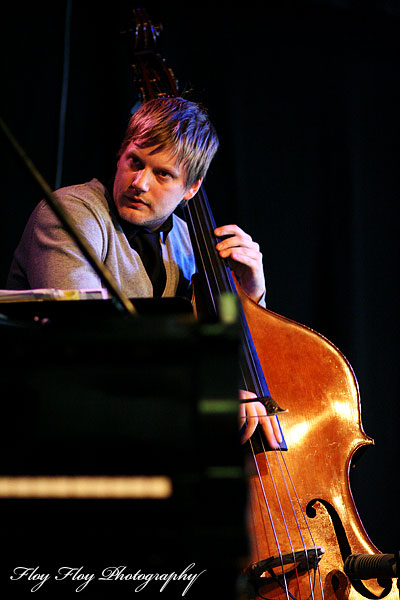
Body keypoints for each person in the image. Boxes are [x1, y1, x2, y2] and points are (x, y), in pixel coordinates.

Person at [6, 96, 282, 448]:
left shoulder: (191, 244)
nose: (140, 182)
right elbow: (80, 337)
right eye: (134, 162)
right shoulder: (70, 213)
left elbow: (225, 351)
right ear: (120, 155)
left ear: (191, 189)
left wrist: (251, 291)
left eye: (162, 174)